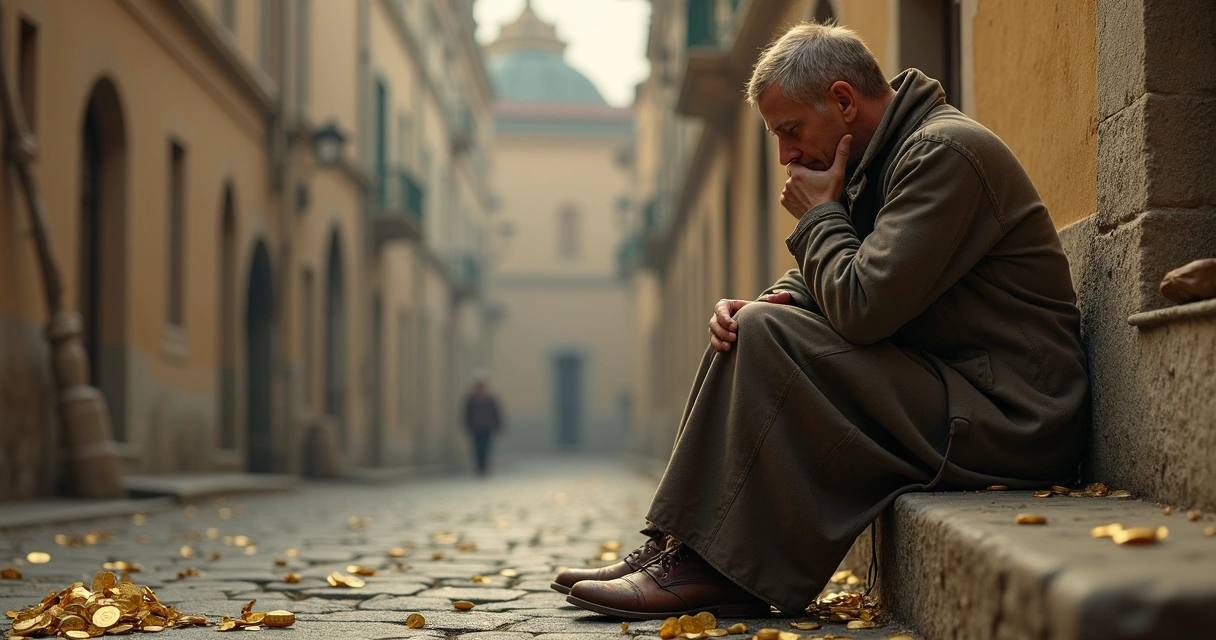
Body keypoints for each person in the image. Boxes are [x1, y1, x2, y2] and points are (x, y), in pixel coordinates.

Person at [554, 21, 1089, 619]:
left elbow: (861, 308)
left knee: (763, 334)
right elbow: (834, 279)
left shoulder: (943, 154)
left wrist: (820, 217)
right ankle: (680, 546)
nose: (785, 155)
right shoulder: (877, 160)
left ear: (842, 100)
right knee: (750, 325)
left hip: (1015, 417)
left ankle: (717, 568)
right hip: (952, 387)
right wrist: (766, 300)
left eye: (789, 130)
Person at [463, 370, 503, 476]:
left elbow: (496, 412)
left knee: (486, 447)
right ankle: (479, 467)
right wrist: (467, 424)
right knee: (477, 447)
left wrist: (498, 424)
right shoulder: (472, 398)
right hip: (476, 427)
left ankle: (484, 467)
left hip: (487, 427)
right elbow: (467, 412)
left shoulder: (490, 397)